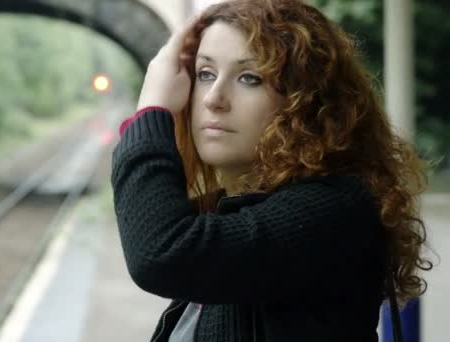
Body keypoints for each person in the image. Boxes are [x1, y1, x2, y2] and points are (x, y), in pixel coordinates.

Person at [111, 0, 433, 341]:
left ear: (306, 104)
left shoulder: (333, 211)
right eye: (205, 74)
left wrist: (151, 110)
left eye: (249, 78)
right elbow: (155, 226)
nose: (213, 98)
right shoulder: (231, 212)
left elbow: (161, 254)